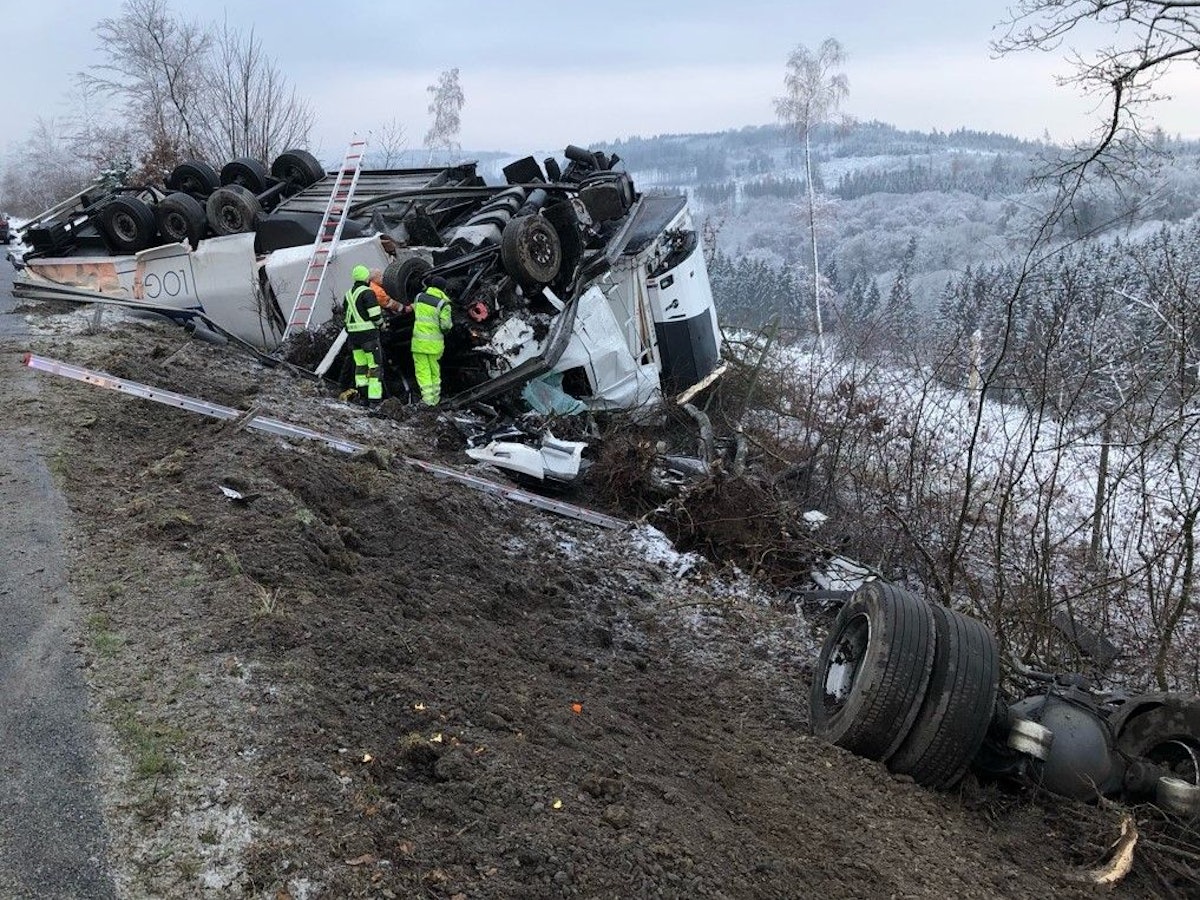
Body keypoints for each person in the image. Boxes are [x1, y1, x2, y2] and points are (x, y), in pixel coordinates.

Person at [343, 264, 385, 406]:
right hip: (368, 336)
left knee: (360, 367)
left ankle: (362, 397)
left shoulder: (348, 294)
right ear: (367, 278)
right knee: (374, 367)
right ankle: (374, 400)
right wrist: (382, 324)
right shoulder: (368, 292)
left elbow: (345, 315)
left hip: (354, 338)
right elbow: (374, 315)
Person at [410, 275, 453, 406]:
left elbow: (415, 310)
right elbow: (446, 326)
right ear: (443, 289)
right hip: (435, 345)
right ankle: (435, 399)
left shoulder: (419, 298)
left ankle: (428, 401)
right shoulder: (444, 304)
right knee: (435, 371)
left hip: (419, 343)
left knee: (423, 372)